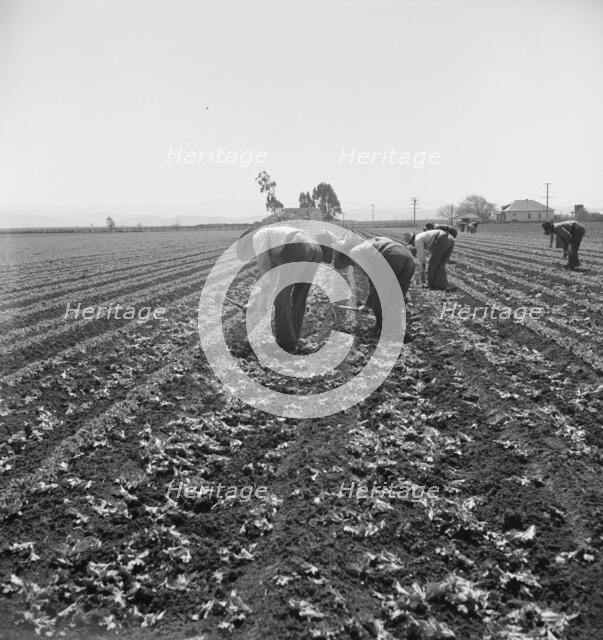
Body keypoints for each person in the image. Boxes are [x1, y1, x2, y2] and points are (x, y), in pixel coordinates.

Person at [236, 225, 323, 353]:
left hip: (297, 247)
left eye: (250, 253)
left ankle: (285, 344)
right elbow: (272, 278)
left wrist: (262, 300)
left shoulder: (258, 236)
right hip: (314, 249)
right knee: (299, 296)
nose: (253, 255)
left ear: (248, 244)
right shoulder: (274, 241)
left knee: (281, 296)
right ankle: (293, 339)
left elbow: (264, 265)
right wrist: (254, 301)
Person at [332, 236, 414, 341]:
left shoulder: (355, 252)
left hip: (390, 257)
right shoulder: (369, 244)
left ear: (345, 255)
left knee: (379, 296)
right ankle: (398, 331)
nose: (352, 265)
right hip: (407, 255)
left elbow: (372, 279)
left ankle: (380, 328)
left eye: (349, 262)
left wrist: (368, 304)